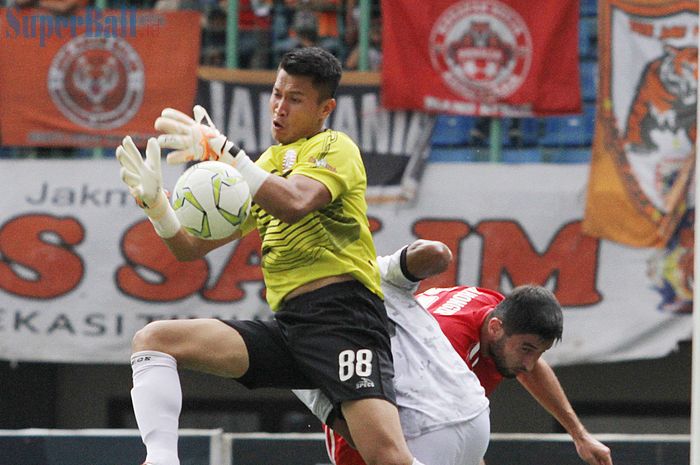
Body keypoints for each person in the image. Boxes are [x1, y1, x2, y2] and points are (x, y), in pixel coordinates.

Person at [116, 47, 426, 465]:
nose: (279, 108)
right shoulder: (262, 165)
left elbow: (295, 201)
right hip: (289, 327)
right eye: (277, 94)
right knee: (153, 341)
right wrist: (158, 209)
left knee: (388, 457)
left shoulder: (336, 146)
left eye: (294, 99)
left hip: (344, 321)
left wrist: (226, 151)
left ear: (325, 108)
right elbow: (188, 249)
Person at [322, 283, 614, 465]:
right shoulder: (444, 347)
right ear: (495, 327)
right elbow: (421, 427)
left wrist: (579, 435)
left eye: (537, 352)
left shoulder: (495, 313)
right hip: (366, 430)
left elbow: (531, 369)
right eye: (526, 349)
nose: (529, 363)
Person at [295, 239, 491, 465]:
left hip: (419, 427)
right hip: (436, 423)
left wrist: (429, 257)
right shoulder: (298, 325)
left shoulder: (375, 272)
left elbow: (433, 254)